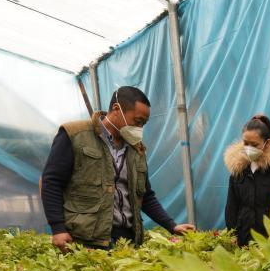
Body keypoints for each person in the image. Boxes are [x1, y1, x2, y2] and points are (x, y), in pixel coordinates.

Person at [40, 86, 194, 251]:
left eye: (143, 124)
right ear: (116, 109)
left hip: (126, 240)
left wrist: (172, 225)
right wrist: (58, 228)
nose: (139, 128)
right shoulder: (75, 135)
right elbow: (52, 182)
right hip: (86, 240)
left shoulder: (136, 148)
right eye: (137, 121)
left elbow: (145, 196)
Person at [224, 114, 270, 245]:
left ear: (267, 143)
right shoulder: (238, 170)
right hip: (243, 242)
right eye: (245, 143)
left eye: (254, 144)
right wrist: (232, 233)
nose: (249, 148)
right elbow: (232, 206)